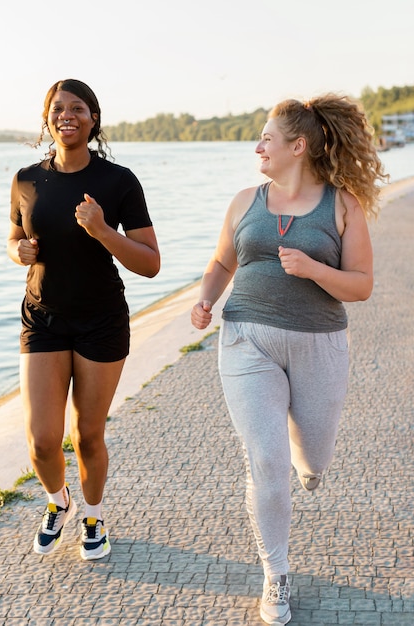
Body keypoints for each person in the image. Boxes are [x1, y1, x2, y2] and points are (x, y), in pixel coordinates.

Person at [191, 94, 387, 624]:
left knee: (313, 457)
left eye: (267, 139)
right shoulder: (243, 201)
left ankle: (309, 464)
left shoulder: (342, 206)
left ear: (297, 147)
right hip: (245, 340)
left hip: (319, 343)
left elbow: (363, 286)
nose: (258, 147)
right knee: (268, 462)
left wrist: (314, 269)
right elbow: (220, 259)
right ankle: (275, 574)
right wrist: (207, 297)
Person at [7, 79, 160, 561]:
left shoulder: (119, 182)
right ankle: (58, 502)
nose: (67, 115)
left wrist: (101, 231)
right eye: (58, 108)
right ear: (47, 118)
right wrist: (19, 251)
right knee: (41, 440)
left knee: (87, 435)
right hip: (43, 318)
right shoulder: (26, 179)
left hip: (100, 321)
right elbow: (13, 239)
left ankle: (93, 516)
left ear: (94, 120)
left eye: (78, 108)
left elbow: (150, 263)